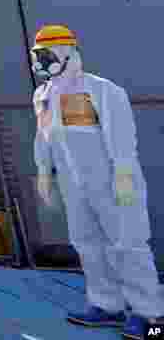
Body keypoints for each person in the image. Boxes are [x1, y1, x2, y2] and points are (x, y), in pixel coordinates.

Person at [30, 25, 163, 339]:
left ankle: (151, 317)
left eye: (46, 55)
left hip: (111, 182)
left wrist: (124, 174)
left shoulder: (102, 90)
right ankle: (107, 305)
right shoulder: (43, 95)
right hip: (73, 185)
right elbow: (44, 137)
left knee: (128, 245)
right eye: (37, 55)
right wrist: (44, 172)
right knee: (88, 244)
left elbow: (121, 137)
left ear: (67, 53)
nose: (41, 61)